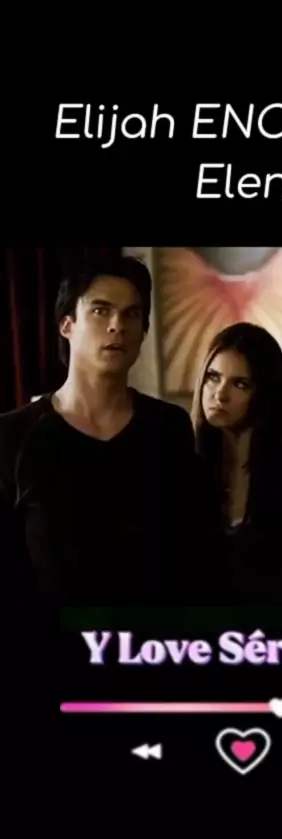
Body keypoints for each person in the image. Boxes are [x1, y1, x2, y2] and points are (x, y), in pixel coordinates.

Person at [0, 255, 212, 608]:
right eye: (101, 311)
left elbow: (190, 557)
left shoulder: (168, 427)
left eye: (132, 314)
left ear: (144, 331)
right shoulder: (14, 436)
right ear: (66, 324)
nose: (118, 325)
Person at [191, 322, 282, 604]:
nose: (220, 394)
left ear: (265, 393)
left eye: (240, 384)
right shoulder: (183, 467)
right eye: (213, 377)